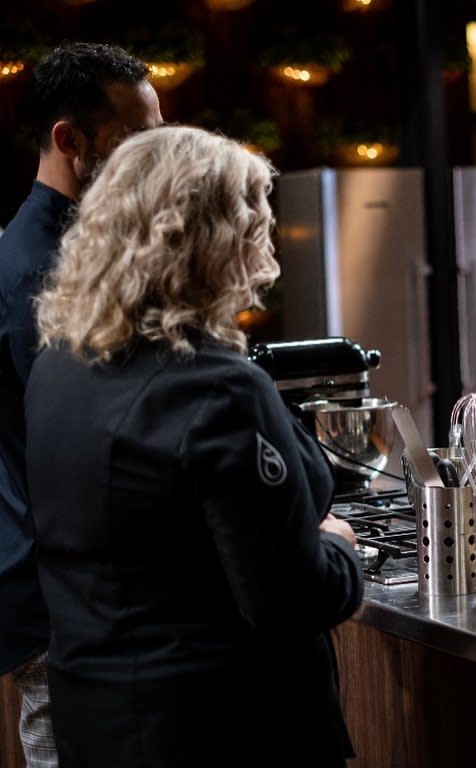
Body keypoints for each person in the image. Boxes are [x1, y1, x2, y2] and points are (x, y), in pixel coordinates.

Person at [23, 124, 364, 767]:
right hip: (221, 730)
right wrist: (339, 550)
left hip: (99, 723)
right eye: (254, 222)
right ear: (217, 240)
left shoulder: (58, 369)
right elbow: (289, 598)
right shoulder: (219, 389)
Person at [0, 41, 162, 768]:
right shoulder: (45, 272)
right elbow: (89, 448)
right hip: (62, 600)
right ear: (70, 140)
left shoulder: (57, 247)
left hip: (67, 591)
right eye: (138, 137)